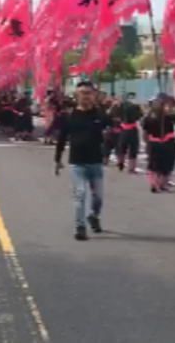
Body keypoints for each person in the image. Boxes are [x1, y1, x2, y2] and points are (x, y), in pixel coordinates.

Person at [55, 81, 107, 241]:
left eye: (89, 93)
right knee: (80, 194)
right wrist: (57, 160)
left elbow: (111, 133)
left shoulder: (100, 115)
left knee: (98, 197)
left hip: (96, 162)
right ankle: (80, 228)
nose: (86, 96)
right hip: (77, 163)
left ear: (94, 95)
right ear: (76, 96)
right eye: (82, 93)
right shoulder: (69, 116)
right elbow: (62, 139)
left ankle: (93, 216)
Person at [142, 95, 175, 193]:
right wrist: (146, 144)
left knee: (165, 165)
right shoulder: (149, 117)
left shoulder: (170, 116)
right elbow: (145, 131)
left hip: (167, 143)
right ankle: (155, 184)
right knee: (155, 165)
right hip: (156, 143)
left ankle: (161, 184)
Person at [115, 92, 142, 173]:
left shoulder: (121, 105)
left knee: (124, 147)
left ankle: (123, 163)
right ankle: (129, 167)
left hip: (126, 128)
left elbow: (116, 115)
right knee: (130, 148)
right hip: (130, 128)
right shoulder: (134, 106)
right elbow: (139, 116)